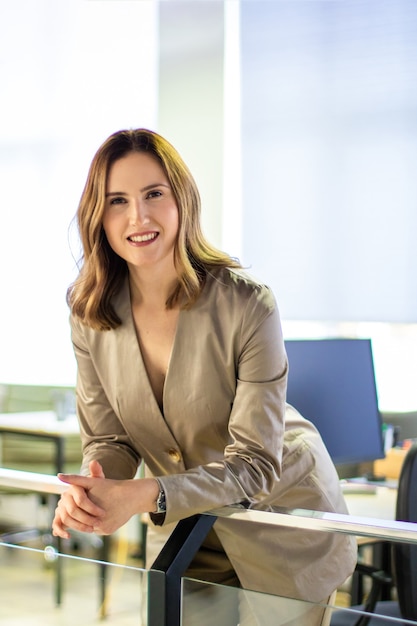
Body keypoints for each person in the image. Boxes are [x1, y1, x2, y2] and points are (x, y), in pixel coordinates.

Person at [52, 128, 356, 625]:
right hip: (184, 528)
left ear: (182, 200)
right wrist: (95, 486)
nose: (139, 217)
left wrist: (143, 494)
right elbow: (110, 438)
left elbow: (256, 465)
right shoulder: (90, 313)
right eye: (117, 201)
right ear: (97, 216)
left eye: (154, 194)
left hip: (278, 519)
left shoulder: (247, 303)